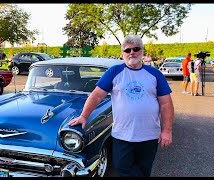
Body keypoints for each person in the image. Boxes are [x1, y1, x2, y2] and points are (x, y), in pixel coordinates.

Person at [68, 35, 174, 177]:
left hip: (149, 136)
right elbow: (96, 95)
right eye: (127, 50)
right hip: (122, 135)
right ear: (122, 54)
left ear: (142, 51)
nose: (132, 52)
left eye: (136, 49)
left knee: (144, 170)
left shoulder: (154, 74)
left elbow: (166, 103)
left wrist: (167, 130)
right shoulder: (114, 72)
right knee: (122, 167)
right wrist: (83, 116)